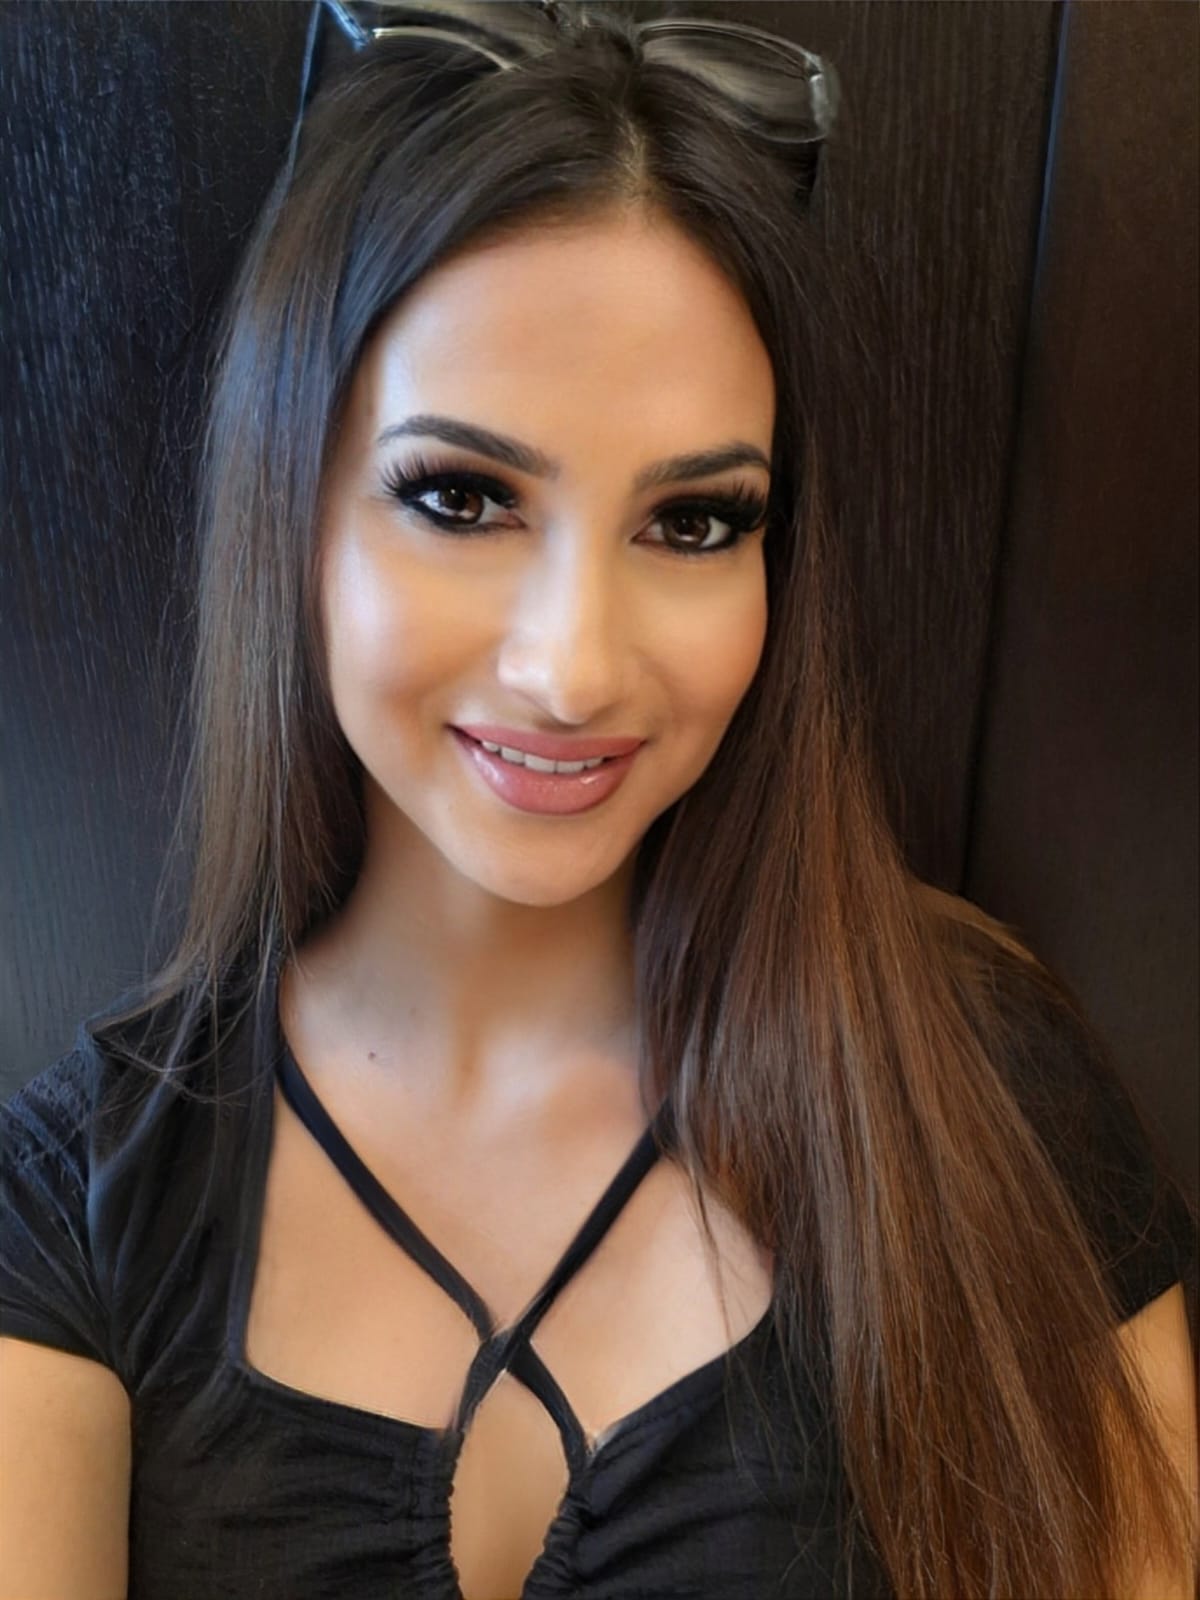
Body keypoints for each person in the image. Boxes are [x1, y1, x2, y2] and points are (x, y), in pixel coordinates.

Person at [1, 2, 1196, 1596]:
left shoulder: (984, 1098)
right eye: (461, 496)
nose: (571, 669)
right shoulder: (70, 1209)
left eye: (694, 523)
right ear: (293, 506)